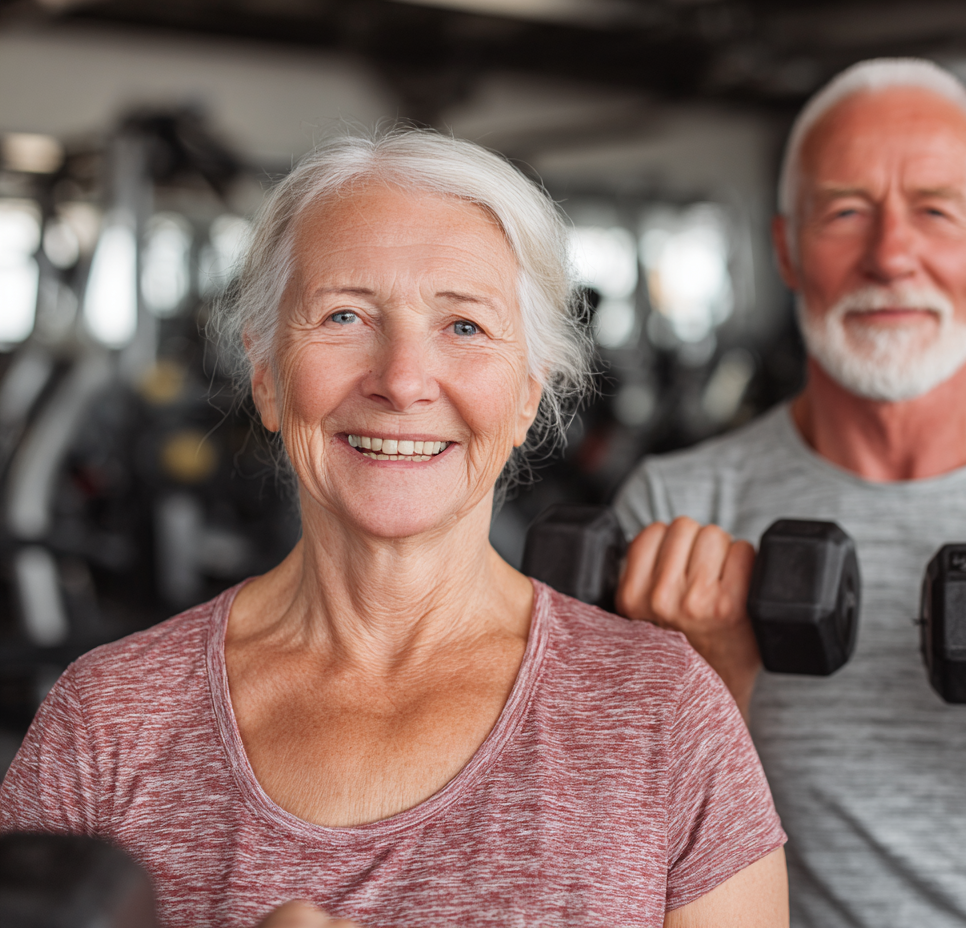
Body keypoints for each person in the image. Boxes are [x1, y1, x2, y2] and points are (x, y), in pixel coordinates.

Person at [0, 130, 788, 928]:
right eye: (345, 315)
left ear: (526, 393)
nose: (403, 379)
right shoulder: (107, 721)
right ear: (266, 374)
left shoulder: (663, 709)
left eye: (465, 327)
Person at [612, 59, 966, 928]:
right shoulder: (670, 508)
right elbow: (615, 867)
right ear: (786, 249)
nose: (891, 256)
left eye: (935, 210)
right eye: (846, 211)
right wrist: (706, 690)